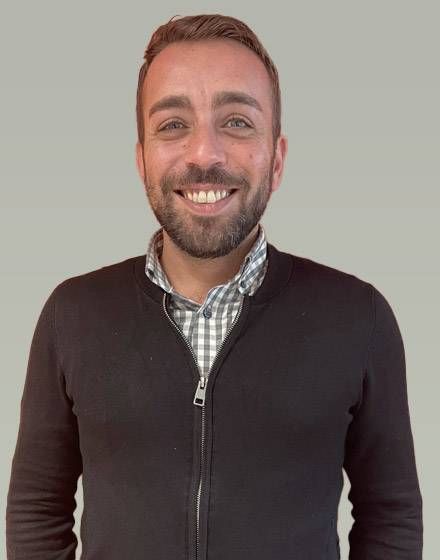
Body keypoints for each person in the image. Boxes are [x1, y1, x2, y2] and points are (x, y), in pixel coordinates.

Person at [6, 13, 423, 559]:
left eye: (237, 122)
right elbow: (38, 509)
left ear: (277, 159)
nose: (204, 153)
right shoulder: (72, 314)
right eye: (173, 125)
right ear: (141, 160)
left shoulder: (359, 317)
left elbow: (391, 516)